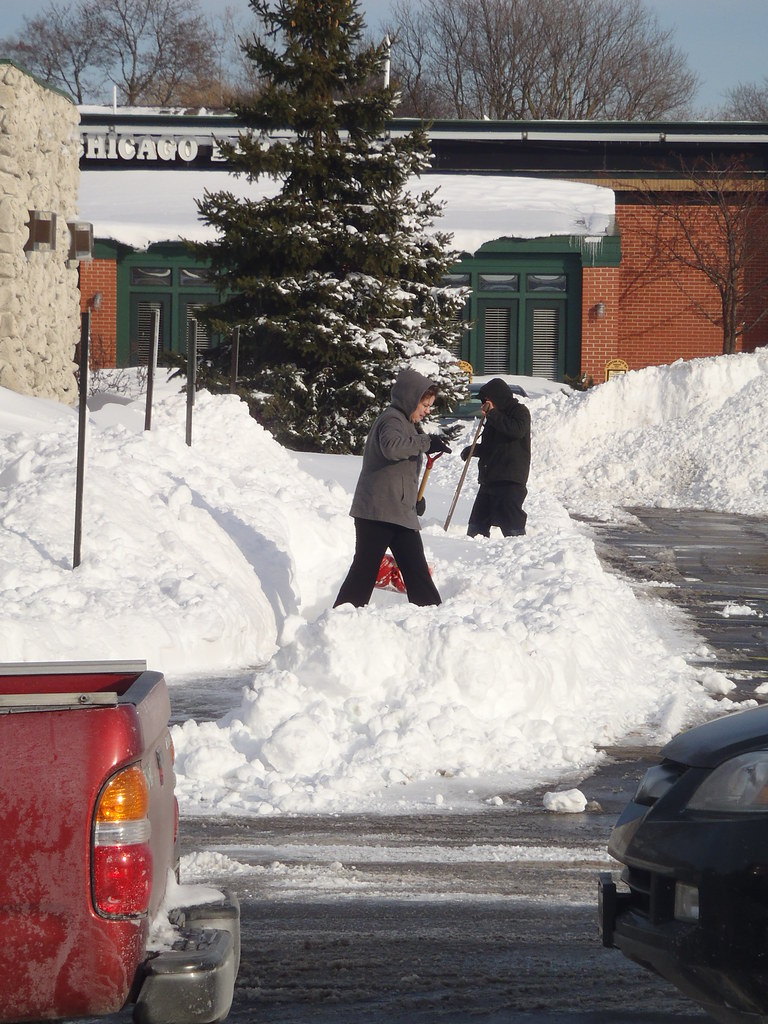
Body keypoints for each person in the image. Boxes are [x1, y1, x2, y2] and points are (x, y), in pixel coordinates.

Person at [334, 367, 451, 607]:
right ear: (411, 398)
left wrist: (413, 501)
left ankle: (435, 617)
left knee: (416, 570)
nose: (427, 411)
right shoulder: (391, 419)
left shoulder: (404, 423)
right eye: (425, 405)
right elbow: (392, 447)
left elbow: (398, 470)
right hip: (377, 513)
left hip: (395, 513)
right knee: (364, 571)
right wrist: (426, 442)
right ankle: (340, 620)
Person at [461, 377, 531, 538]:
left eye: (487, 400)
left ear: (497, 397)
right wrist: (474, 450)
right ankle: (472, 554)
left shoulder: (519, 411)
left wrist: (492, 413)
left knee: (513, 529)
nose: (484, 404)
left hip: (510, 480)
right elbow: (492, 446)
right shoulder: (493, 417)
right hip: (490, 479)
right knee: (476, 526)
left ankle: (519, 555)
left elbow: (516, 431)